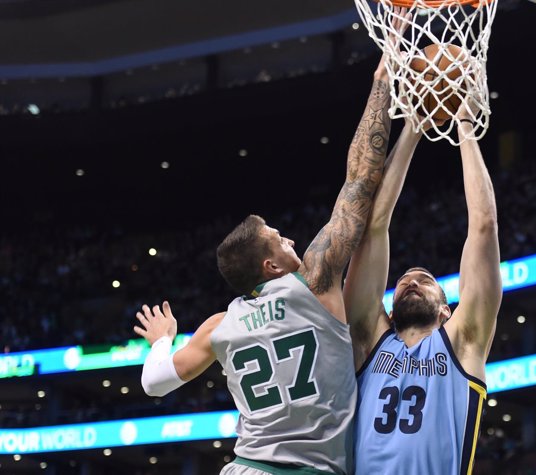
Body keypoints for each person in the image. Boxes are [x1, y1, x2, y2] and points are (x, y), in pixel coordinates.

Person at [132, 54, 394, 475]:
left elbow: (154, 382)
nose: (290, 238)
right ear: (271, 266)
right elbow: (360, 179)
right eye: (279, 238)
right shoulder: (313, 281)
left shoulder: (220, 325)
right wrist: (382, 84)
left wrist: (162, 339)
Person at [343, 104, 502, 474]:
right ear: (391, 310)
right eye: (402, 283)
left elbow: (484, 226)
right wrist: (413, 126)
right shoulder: (369, 339)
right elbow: (373, 227)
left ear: (447, 310)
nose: (411, 281)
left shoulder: (464, 341)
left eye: (425, 281)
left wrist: (464, 125)